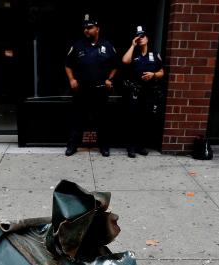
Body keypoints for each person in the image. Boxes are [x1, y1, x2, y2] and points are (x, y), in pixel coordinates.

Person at [64, 14, 118, 157]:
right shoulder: (77, 45)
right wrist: (72, 80)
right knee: (77, 119)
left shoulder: (107, 45)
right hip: (81, 90)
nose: (86, 30)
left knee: (102, 120)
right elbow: (68, 65)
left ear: (97, 29)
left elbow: (115, 66)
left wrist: (110, 79)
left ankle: (104, 147)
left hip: (100, 91)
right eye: (85, 28)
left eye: (90, 28)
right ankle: (72, 146)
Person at [121, 26, 164, 158]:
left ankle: (141, 146)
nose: (141, 39)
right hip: (135, 92)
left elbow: (162, 72)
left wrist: (153, 75)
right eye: (138, 37)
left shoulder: (155, 54)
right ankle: (131, 147)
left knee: (145, 120)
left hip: (149, 92)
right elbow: (124, 61)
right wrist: (132, 45)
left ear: (147, 38)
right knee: (133, 119)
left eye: (143, 36)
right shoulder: (133, 53)